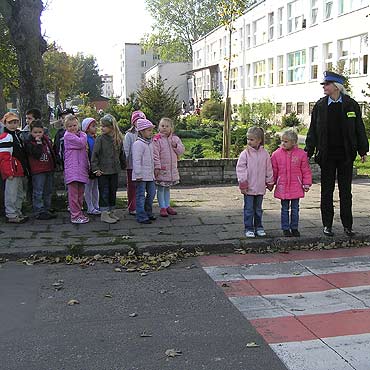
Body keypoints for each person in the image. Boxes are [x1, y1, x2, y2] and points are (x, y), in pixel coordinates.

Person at [305, 71, 369, 237]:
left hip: (346, 155)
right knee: (327, 191)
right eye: (324, 84)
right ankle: (327, 225)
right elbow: (313, 131)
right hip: (327, 155)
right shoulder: (320, 106)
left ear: (336, 86)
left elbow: (359, 129)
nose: (324, 87)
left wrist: (363, 150)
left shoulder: (351, 104)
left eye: (326, 84)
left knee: (345, 191)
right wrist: (308, 151)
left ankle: (347, 225)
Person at [271, 129, 312, 237]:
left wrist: (306, 183)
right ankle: (285, 228)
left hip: (296, 186)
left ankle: (294, 227)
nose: (283, 144)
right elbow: (274, 170)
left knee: (295, 209)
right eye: (282, 141)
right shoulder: (276, 154)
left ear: (293, 142)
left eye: (286, 141)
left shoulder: (301, 154)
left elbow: (305, 170)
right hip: (283, 186)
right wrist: (271, 182)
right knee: (284, 209)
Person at [236, 126, 274, 238]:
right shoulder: (245, 154)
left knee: (258, 209)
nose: (249, 142)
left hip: (260, 187)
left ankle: (259, 227)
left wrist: (270, 181)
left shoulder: (265, 154)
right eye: (248, 139)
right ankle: (248, 228)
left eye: (251, 139)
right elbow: (240, 169)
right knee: (248, 209)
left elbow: (269, 169)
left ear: (259, 140)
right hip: (249, 188)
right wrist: (243, 183)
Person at [91, 114, 125, 224]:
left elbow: (121, 154)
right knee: (104, 192)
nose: (102, 128)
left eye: (104, 126)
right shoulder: (100, 139)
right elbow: (94, 155)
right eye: (101, 126)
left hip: (114, 170)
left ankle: (111, 211)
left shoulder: (118, 139)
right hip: (103, 171)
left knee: (112, 191)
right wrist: (95, 169)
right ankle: (104, 214)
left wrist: (123, 165)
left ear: (111, 127)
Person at [0, 112, 30, 223]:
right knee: (11, 194)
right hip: (12, 171)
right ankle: (11, 214)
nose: (13, 125)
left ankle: (17, 212)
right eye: (10, 122)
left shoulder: (16, 135)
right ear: (5, 123)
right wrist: (9, 172)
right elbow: (4, 157)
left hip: (19, 169)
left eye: (15, 122)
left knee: (19, 194)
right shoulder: (6, 137)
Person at [25, 120, 57, 220]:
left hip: (48, 168)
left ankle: (47, 208)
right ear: (31, 132)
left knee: (48, 190)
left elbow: (51, 152)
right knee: (38, 191)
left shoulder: (46, 140)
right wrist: (38, 143)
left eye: (40, 132)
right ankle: (38, 210)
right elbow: (36, 154)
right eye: (35, 132)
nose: (38, 134)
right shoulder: (30, 142)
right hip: (38, 170)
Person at [153, 117, 185, 217]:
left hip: (171, 169)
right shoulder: (157, 139)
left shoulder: (175, 139)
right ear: (159, 127)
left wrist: (175, 146)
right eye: (162, 126)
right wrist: (157, 166)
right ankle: (162, 207)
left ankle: (167, 206)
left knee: (167, 188)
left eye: (167, 126)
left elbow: (181, 151)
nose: (164, 128)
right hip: (162, 169)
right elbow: (155, 154)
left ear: (171, 128)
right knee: (161, 188)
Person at [63, 114, 90, 224]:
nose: (72, 128)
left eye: (74, 125)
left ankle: (79, 212)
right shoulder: (68, 136)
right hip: (73, 169)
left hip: (81, 168)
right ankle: (75, 215)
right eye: (69, 126)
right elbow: (81, 143)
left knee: (80, 193)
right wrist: (83, 134)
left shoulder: (79, 135)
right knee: (74, 194)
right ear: (66, 127)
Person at [132, 118, 156, 224]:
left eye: (151, 130)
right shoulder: (138, 144)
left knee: (151, 193)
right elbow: (136, 160)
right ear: (141, 131)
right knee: (140, 195)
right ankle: (141, 215)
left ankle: (148, 212)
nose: (151, 132)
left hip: (150, 174)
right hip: (140, 175)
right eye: (149, 130)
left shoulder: (150, 144)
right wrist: (138, 173)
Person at [124, 110, 146, 216]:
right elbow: (126, 150)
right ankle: (132, 206)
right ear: (133, 122)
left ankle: (140, 206)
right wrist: (125, 162)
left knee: (141, 187)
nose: (140, 123)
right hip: (131, 165)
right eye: (138, 121)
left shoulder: (145, 134)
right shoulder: (129, 135)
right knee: (132, 187)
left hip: (143, 166)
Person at [82, 117, 101, 216]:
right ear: (87, 128)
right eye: (93, 126)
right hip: (88, 167)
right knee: (88, 188)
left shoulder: (96, 138)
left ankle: (96, 205)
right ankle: (90, 206)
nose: (95, 128)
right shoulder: (85, 139)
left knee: (95, 187)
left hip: (96, 166)